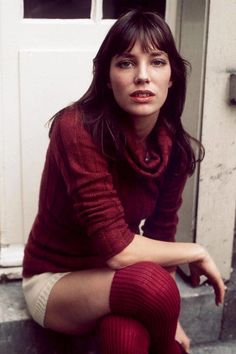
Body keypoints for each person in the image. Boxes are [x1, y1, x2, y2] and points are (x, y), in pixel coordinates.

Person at [22, 9, 225, 354]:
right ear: (106, 76)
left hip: (117, 280)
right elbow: (117, 250)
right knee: (151, 287)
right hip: (57, 281)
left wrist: (166, 313)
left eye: (157, 62)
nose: (143, 76)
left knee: (126, 334)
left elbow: (162, 231)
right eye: (127, 63)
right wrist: (196, 250)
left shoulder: (173, 146)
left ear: (173, 76)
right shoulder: (75, 128)